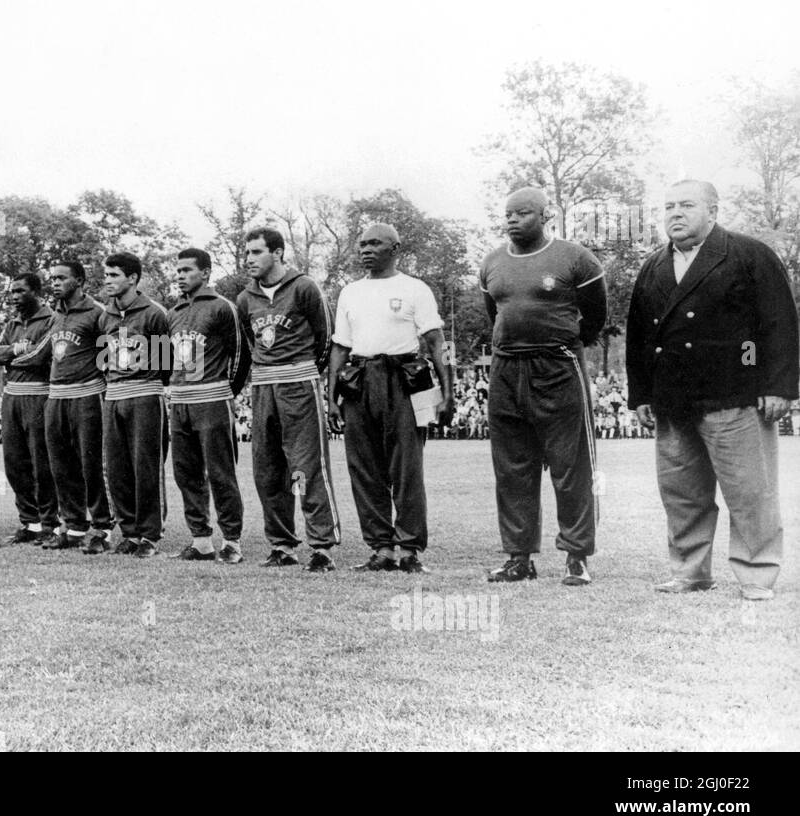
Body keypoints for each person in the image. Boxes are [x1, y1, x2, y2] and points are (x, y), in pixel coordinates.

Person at [626, 179, 799, 601]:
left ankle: (757, 575)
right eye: (668, 206)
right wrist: (642, 394)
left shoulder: (748, 255)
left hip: (735, 395)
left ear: (714, 212)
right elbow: (638, 337)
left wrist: (776, 386)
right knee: (682, 494)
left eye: (687, 205)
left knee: (749, 492)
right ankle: (689, 572)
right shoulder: (653, 266)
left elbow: (777, 324)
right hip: (672, 399)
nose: (675, 214)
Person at [480, 187, 606, 586]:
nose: (512, 220)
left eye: (522, 213)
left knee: (571, 468)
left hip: (558, 368)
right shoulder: (492, 263)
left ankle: (576, 556)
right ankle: (519, 557)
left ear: (545, 215)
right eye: (508, 214)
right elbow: (494, 314)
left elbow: (596, 317)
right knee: (512, 468)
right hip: (506, 370)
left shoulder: (575, 258)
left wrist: (557, 344)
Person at [327, 223, 453, 573]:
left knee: (407, 467)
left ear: (395, 248)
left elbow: (437, 342)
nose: (366, 250)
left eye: (375, 244)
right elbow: (340, 346)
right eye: (362, 244)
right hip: (360, 379)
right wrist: (331, 397)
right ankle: (381, 547)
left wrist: (447, 392)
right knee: (364, 468)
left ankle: (409, 548)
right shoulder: (350, 292)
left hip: (404, 379)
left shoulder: (414, 289)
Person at [235, 228, 341, 571]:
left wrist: (305, 371)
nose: (249, 259)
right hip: (263, 387)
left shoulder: (304, 287)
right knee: (267, 469)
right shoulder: (245, 298)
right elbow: (251, 345)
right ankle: (282, 545)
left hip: (300, 384)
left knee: (307, 466)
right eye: (247, 252)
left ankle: (322, 547)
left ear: (278, 253)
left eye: (256, 252)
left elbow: (325, 339)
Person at [167, 248, 250, 563]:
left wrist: (227, 391)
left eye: (187, 270)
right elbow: (166, 359)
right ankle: (201, 541)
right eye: (178, 270)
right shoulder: (171, 313)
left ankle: (232, 542)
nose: (180, 275)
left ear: (205, 273)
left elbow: (241, 354)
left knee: (220, 472)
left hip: (213, 399)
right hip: (180, 402)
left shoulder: (222, 307)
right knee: (185, 473)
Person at [96, 252, 171, 557]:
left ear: (133, 278)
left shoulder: (154, 313)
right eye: (106, 275)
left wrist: (148, 382)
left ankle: (150, 535)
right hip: (114, 395)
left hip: (145, 394)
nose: (108, 280)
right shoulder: (106, 316)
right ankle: (129, 532)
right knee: (117, 469)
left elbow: (166, 361)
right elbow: (103, 358)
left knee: (146, 466)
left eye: (114, 275)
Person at [35, 261, 112, 551]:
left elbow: (109, 359)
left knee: (92, 465)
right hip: (56, 397)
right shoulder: (56, 316)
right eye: (52, 278)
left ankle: (102, 528)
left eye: (61, 278)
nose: (54, 283)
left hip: (87, 395)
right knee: (61, 466)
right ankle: (73, 526)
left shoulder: (97, 313)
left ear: (79, 280)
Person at [0, 273, 59, 545]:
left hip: (38, 396)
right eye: (13, 292)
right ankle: (29, 523)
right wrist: (16, 351)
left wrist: (13, 354)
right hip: (12, 397)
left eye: (21, 291)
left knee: (41, 463)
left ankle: (50, 523)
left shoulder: (51, 319)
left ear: (37, 291)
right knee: (14, 463)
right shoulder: (12, 323)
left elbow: (40, 355)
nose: (15, 297)